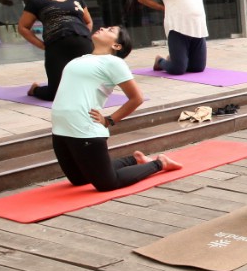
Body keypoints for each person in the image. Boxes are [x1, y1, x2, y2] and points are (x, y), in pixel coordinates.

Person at [50, 26, 183, 191]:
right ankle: (134, 160)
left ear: (117, 46)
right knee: (79, 179)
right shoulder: (79, 59)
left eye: (110, 30)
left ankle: (160, 163)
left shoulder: (113, 62)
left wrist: (109, 120)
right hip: (61, 129)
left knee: (108, 184)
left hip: (84, 128)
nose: (102, 28)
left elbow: (136, 98)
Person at [18, 0, 94, 101]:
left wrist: (84, 35)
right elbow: (22, 27)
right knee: (55, 94)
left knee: (90, 89)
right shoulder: (37, 1)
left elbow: (88, 21)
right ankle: (35, 89)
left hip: (83, 44)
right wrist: (42, 45)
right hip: (57, 46)